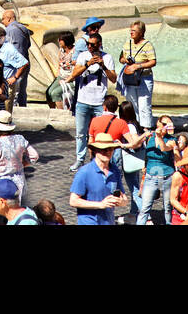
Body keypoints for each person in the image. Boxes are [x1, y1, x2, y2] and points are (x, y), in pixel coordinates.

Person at [67, 32, 116, 170]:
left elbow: (113, 79)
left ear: (99, 44)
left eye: (92, 44)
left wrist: (103, 66)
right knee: (81, 133)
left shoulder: (107, 57)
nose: (89, 46)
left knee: (100, 133)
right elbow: (74, 74)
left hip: (99, 102)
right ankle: (80, 159)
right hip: (83, 100)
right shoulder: (83, 56)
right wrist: (87, 64)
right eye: (88, 44)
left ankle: (97, 159)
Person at [69, 133, 128, 224]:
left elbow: (124, 199)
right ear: (95, 150)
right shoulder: (84, 172)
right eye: (103, 149)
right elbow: (73, 201)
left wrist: (121, 202)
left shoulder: (114, 170)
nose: (108, 152)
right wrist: (100, 204)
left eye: (110, 149)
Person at [118, 20, 156, 130]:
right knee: (132, 103)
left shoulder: (148, 45)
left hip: (144, 77)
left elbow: (153, 61)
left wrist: (138, 66)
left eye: (134, 31)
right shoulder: (127, 44)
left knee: (144, 103)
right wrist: (124, 60)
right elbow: (121, 58)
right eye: (131, 30)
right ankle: (135, 126)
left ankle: (146, 128)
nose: (131, 33)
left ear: (141, 32)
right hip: (130, 78)